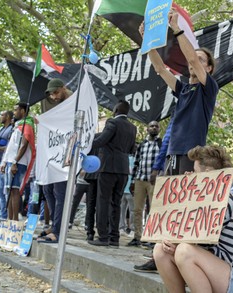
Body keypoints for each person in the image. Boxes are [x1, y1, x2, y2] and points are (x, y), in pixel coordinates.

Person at [153, 145, 233, 292]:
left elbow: (226, 257)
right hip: (221, 272)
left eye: (195, 171)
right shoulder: (200, 202)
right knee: (161, 250)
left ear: (207, 173)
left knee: (184, 251)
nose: (191, 175)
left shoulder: (231, 203)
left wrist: (183, 245)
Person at [140, 8, 218, 175]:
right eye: (194, 58)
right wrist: (146, 40)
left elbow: (191, 58)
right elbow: (160, 69)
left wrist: (176, 27)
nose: (194, 61)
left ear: (209, 68)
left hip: (192, 154)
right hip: (172, 151)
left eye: (200, 60)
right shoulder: (182, 88)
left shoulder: (209, 88)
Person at [88, 100, 137, 247]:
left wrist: (87, 140)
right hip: (123, 169)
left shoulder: (112, 123)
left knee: (103, 201)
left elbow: (102, 140)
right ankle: (114, 238)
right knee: (116, 203)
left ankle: (102, 237)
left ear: (115, 109)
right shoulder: (133, 128)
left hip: (108, 167)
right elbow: (131, 149)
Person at [38, 78, 72, 242]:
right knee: (47, 190)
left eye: (56, 92)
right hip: (52, 153)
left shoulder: (74, 101)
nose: (53, 96)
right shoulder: (53, 104)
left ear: (63, 88)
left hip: (66, 154)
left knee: (60, 193)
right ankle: (55, 224)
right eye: (51, 94)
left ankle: (58, 231)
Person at [128, 121, 161, 247]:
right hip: (140, 180)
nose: (153, 128)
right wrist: (132, 181)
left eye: (156, 126)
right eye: (151, 126)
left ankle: (152, 238)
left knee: (154, 210)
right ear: (147, 129)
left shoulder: (161, 144)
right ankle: (137, 237)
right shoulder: (142, 145)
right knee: (137, 209)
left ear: (159, 129)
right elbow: (136, 163)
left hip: (154, 181)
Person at [1, 103, 35, 221]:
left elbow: (24, 146)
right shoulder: (18, 126)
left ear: (23, 111)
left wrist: (15, 161)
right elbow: (11, 146)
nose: (14, 113)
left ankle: (15, 221)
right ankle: (9, 219)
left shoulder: (28, 125)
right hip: (10, 161)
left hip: (18, 162)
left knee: (15, 191)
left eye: (16, 110)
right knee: (9, 191)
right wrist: (4, 162)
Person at [0, 111, 14, 219]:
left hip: (7, 162)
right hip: (0, 162)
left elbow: (9, 147)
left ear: (7, 116)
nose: (0, 117)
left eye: (1, 115)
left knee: (6, 191)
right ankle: (3, 214)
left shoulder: (11, 129)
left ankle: (8, 216)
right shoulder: (1, 129)